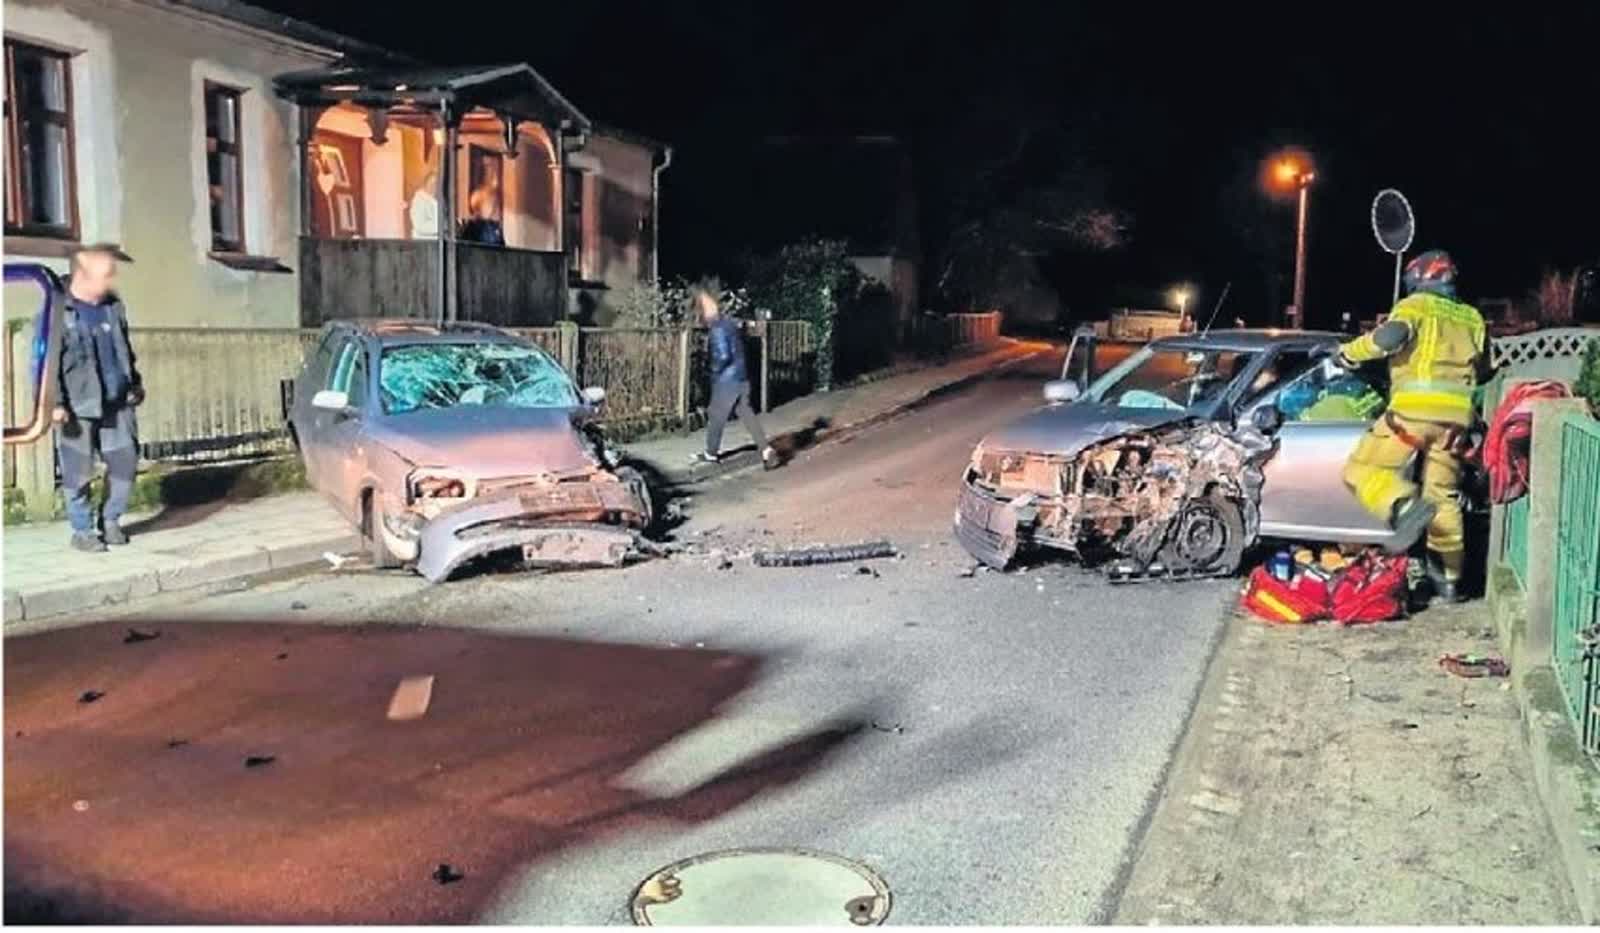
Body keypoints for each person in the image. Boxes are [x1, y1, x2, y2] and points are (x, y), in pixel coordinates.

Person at [1336, 249, 1487, 601]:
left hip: (1412, 416)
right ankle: (1448, 582)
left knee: (1361, 469)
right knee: (1443, 497)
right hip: (1455, 424)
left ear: (1418, 280)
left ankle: (1404, 507)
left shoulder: (1415, 306)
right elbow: (1485, 368)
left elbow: (1389, 338)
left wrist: (1348, 353)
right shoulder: (1473, 318)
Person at [34, 246, 145, 553]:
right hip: (77, 405)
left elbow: (125, 349)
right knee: (78, 470)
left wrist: (135, 383)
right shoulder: (57, 311)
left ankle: (110, 520)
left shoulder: (113, 307)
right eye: (105, 274)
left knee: (124, 462)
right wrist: (54, 403)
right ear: (83, 275)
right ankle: (82, 531)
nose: (111, 280)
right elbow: (43, 363)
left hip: (117, 402)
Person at [693, 287, 778, 469]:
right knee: (746, 413)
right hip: (741, 376)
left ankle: (711, 453)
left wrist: (713, 371)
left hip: (727, 381)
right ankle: (766, 449)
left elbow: (723, 356)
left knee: (716, 415)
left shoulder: (716, 328)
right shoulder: (729, 323)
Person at [409, 171, 439, 239]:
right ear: (425, 184)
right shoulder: (419, 200)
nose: (433, 187)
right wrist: (440, 227)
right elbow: (420, 226)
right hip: (423, 240)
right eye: (431, 184)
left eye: (436, 184)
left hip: (434, 240)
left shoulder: (434, 200)